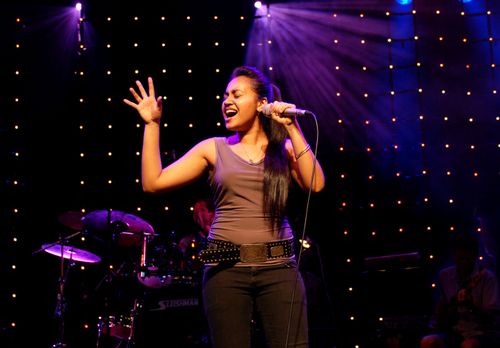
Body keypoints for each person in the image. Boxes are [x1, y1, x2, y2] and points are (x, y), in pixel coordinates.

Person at [124, 65, 325, 348]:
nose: (227, 101)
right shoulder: (213, 149)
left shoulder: (285, 151)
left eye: (236, 94)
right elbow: (153, 182)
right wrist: (152, 125)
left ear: (262, 104)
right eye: (225, 95)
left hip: (279, 269)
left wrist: (292, 126)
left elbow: (315, 184)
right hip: (225, 271)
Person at [420, 232, 500, 348]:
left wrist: (471, 306)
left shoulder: (487, 278)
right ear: (454, 256)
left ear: (475, 256)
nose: (464, 263)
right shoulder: (445, 276)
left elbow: (492, 318)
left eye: (468, 259)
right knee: (427, 342)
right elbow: (442, 309)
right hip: (454, 332)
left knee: (469, 345)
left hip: (482, 333)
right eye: (460, 259)